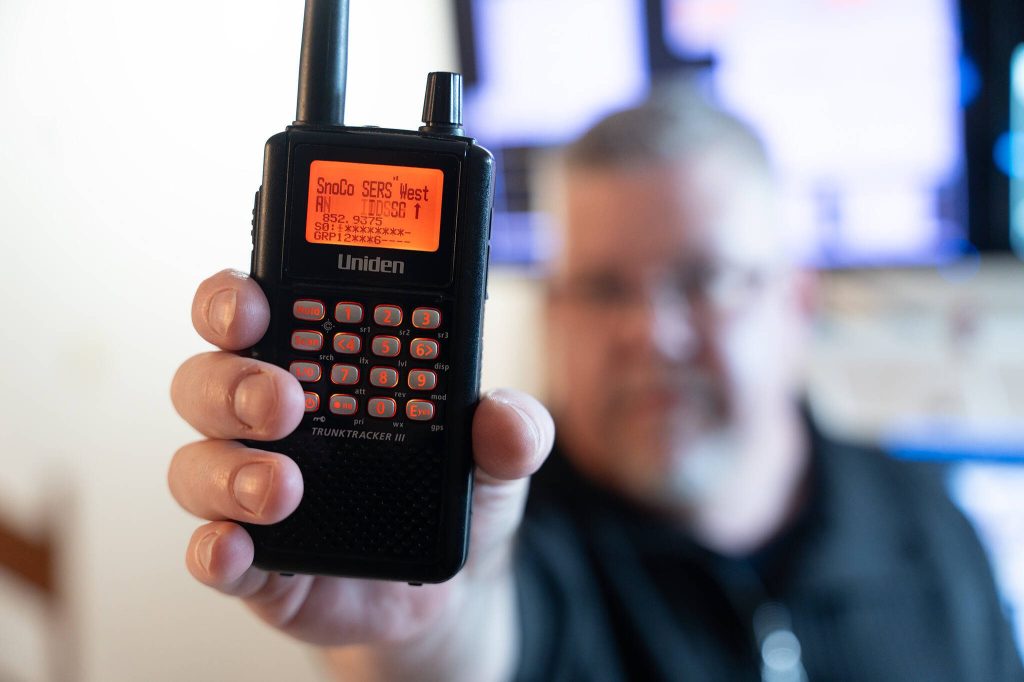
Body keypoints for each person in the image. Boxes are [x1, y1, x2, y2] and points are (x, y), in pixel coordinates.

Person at [169, 87, 1022, 681]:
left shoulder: (933, 526)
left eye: (704, 278)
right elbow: (472, 646)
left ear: (796, 300)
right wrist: (421, 644)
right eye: (606, 289)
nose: (650, 332)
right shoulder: (506, 547)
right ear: (556, 315)